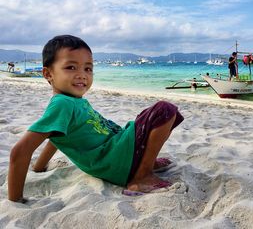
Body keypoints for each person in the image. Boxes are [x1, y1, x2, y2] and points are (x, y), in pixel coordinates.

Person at [8, 35, 184, 202]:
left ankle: (146, 162)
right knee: (164, 110)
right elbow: (19, 151)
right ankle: (141, 176)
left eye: (88, 68)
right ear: (48, 74)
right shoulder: (62, 104)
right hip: (114, 159)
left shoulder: (73, 101)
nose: (82, 74)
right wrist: (15, 199)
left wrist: (39, 167)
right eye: (71, 67)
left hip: (119, 150)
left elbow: (56, 136)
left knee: (165, 114)